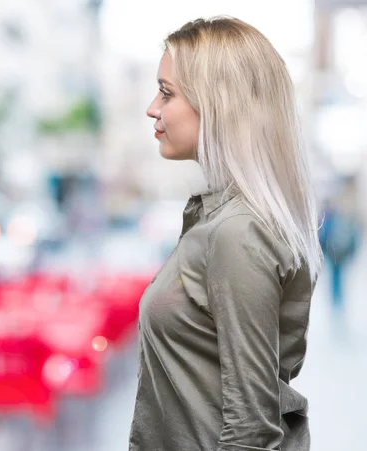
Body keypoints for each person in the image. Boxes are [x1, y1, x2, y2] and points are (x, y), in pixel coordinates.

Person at [129, 16, 322, 451]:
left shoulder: (237, 232)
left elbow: (252, 432)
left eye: (166, 92)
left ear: (220, 103)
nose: (152, 108)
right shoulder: (218, 219)